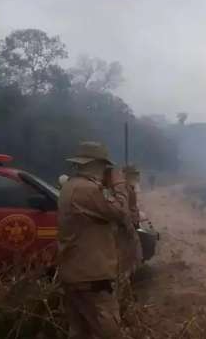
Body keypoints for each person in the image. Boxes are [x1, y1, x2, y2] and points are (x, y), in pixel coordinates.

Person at [57, 141, 130, 339]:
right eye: (105, 167)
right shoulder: (87, 190)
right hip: (92, 276)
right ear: (97, 164)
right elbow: (121, 212)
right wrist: (119, 184)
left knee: (81, 332)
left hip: (75, 272)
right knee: (109, 330)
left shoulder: (71, 186)